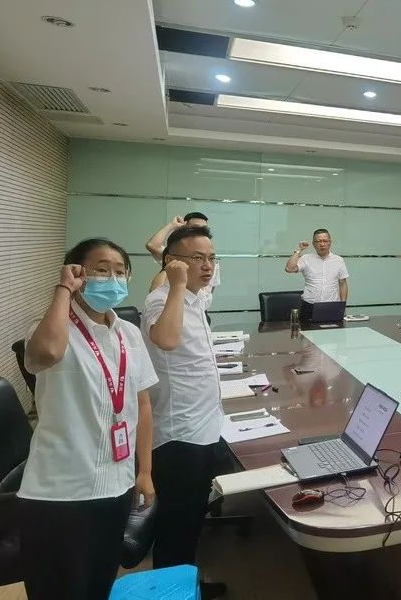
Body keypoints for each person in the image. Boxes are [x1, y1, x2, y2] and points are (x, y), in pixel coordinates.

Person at [18, 238, 158, 600]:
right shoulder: (50, 328)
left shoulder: (129, 334)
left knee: (99, 584)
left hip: (117, 486)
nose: (112, 279)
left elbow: (142, 404)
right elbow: (46, 352)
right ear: (78, 273)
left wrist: (144, 471)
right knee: (60, 590)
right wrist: (63, 289)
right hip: (61, 493)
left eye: (120, 271)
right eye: (101, 270)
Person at [143, 225, 227, 597]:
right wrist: (176, 283)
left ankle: (186, 587)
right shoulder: (161, 300)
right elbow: (166, 339)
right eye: (198, 258)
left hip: (204, 426)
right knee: (176, 527)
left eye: (211, 258)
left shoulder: (196, 297)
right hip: (180, 435)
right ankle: (171, 593)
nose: (208, 266)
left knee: (192, 520)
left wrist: (185, 285)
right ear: (173, 263)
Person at [146, 212, 220, 305]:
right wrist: (172, 225)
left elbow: (210, 289)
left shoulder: (210, 262)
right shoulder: (177, 254)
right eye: (197, 258)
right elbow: (152, 245)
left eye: (204, 229)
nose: (208, 266)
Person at [285, 228, 350, 322]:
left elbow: (343, 283)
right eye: (318, 241)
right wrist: (299, 250)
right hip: (309, 306)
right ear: (313, 244)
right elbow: (289, 269)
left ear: (330, 242)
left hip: (332, 306)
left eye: (325, 241)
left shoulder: (339, 260)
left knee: (334, 331)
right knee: (307, 331)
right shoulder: (306, 259)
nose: (322, 244)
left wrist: (342, 306)